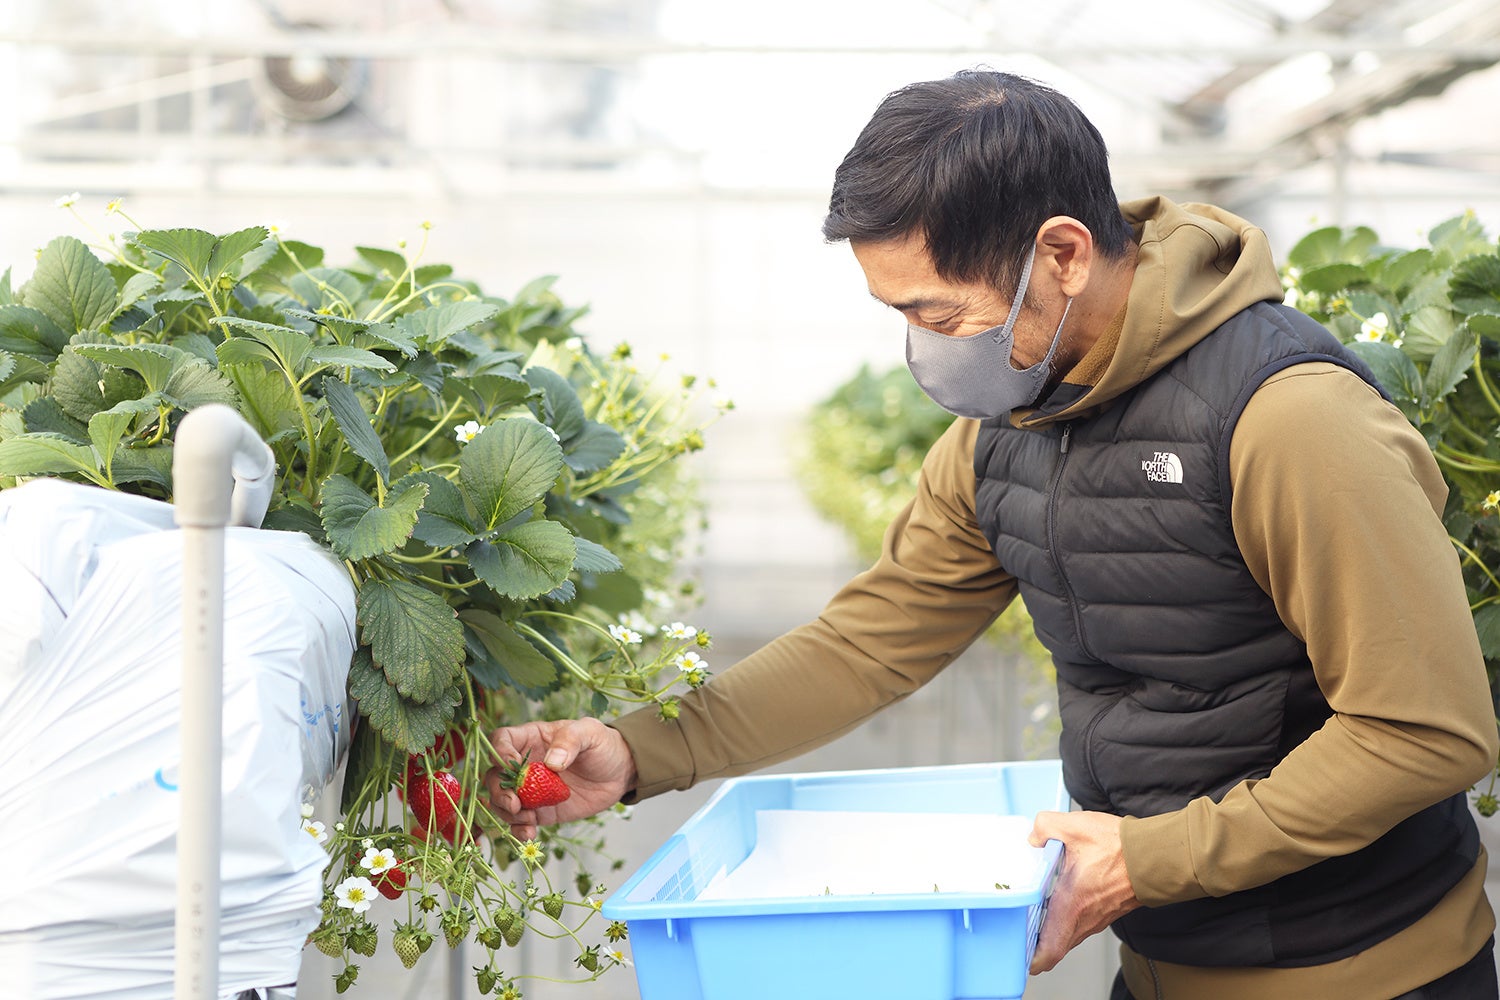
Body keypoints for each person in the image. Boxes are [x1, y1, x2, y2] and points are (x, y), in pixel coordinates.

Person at [485, 69, 1500, 999]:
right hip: (1160, 962)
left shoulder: (1286, 418)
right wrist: (639, 749)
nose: (926, 349)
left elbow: (1424, 732)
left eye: (940, 311)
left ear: (1060, 253)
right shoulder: (1004, 431)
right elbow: (870, 639)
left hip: (1368, 969)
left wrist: (1144, 861)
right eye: (902, 315)